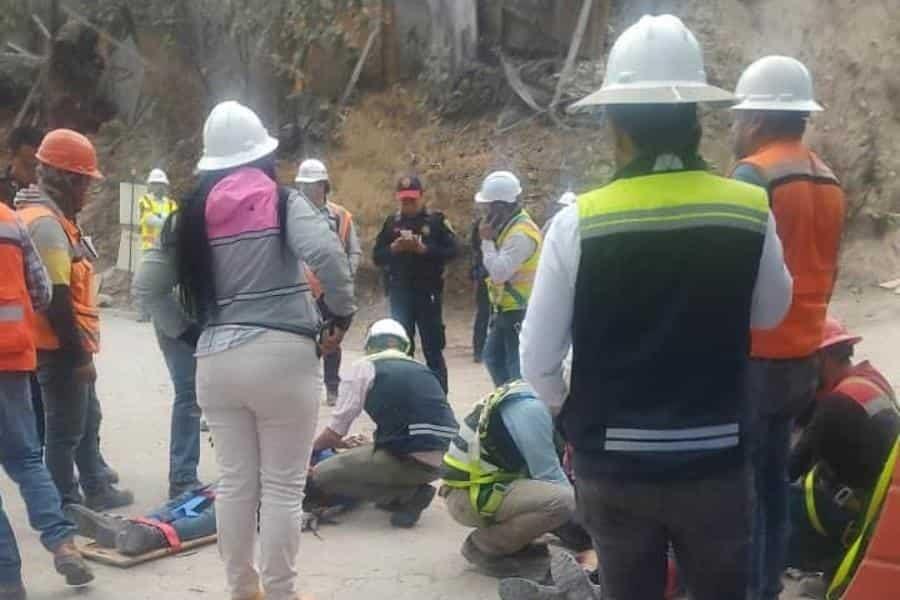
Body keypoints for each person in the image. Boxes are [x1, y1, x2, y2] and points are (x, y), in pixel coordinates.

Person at [520, 15, 793, 600]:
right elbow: (773, 312)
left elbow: (537, 361)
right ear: (696, 122)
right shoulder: (748, 208)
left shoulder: (579, 223)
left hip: (613, 469)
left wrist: (577, 413)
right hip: (718, 463)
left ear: (616, 125)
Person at [144, 100, 354, 600]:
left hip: (216, 363)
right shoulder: (282, 202)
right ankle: (281, 591)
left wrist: (192, 334)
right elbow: (326, 253)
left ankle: (243, 588)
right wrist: (341, 314)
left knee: (236, 484)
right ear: (261, 155)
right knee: (282, 488)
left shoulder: (187, 218)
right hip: (283, 357)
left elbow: (147, 289)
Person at [730, 55, 847, 600]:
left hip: (755, 359)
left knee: (744, 494)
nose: (734, 128)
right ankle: (767, 589)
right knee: (774, 487)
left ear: (756, 118)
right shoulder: (829, 180)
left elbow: (735, 277)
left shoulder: (755, 175)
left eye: (738, 117)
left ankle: (751, 591)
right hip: (802, 359)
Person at [17, 129, 134, 511]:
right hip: (59, 346)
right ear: (66, 180)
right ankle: (66, 502)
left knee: (86, 419)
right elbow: (57, 298)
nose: (88, 190)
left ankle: (95, 487)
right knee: (65, 430)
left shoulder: (54, 218)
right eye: (84, 182)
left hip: (63, 344)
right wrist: (78, 354)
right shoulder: (47, 225)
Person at [0, 200, 94, 600]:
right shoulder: (8, 218)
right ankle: (63, 544)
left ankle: (8, 580)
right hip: (13, 356)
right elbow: (39, 290)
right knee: (25, 459)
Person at [785, 317, 899, 598]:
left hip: (862, 518)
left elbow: (789, 467)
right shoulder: (870, 382)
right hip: (882, 507)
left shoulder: (835, 407)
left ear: (821, 360)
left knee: (781, 496)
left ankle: (823, 566)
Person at [308, 318, 458, 528]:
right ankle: (405, 489)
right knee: (362, 458)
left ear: (369, 344)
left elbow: (334, 432)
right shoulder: (421, 369)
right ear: (404, 345)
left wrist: (309, 451)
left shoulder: (364, 367)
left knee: (323, 475)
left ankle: (405, 495)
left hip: (409, 460)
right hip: (443, 461)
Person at [441, 380, 575, 578]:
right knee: (565, 502)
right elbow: (550, 476)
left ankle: (516, 544)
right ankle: (485, 546)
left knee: (563, 500)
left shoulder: (527, 392)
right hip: (471, 496)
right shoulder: (530, 410)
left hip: (481, 487)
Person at [134, 177, 203, 500]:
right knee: (190, 393)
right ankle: (182, 478)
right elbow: (147, 286)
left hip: (203, 315)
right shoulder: (185, 222)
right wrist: (185, 330)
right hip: (178, 317)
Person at [373, 175, 458, 392]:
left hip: (427, 294)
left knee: (433, 348)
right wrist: (394, 249)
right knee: (401, 347)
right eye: (404, 200)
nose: (408, 205)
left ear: (421, 197)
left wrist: (425, 250)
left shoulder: (436, 222)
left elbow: (454, 252)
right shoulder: (392, 223)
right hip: (400, 293)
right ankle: (405, 395)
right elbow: (376, 256)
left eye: (412, 200)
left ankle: (440, 397)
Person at [294, 158, 361, 406]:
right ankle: (305, 388)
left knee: (332, 337)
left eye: (312, 185)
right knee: (302, 340)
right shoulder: (293, 218)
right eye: (304, 186)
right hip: (303, 289)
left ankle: (332, 388)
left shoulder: (341, 216)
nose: (307, 190)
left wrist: (346, 273)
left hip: (333, 288)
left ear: (324, 186)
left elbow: (354, 250)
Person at [476, 171, 542, 386]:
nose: (485, 212)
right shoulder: (510, 228)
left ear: (500, 207)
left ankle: (518, 409)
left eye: (488, 206)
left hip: (520, 310)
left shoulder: (520, 234)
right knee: (493, 358)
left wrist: (486, 242)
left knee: (516, 369)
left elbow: (498, 272)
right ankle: (506, 404)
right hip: (507, 309)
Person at [1, 127, 45, 446]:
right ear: (12, 156)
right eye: (29, 164)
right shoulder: (4, 195)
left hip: (36, 313)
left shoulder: (49, 195)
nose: (34, 173)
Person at [137, 169, 177, 322]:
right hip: (149, 246)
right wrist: (166, 220)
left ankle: (161, 313)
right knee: (145, 280)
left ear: (165, 186)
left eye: (161, 184)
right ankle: (143, 313)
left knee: (165, 281)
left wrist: (162, 219)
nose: (158, 188)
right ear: (150, 186)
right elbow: (148, 219)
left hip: (167, 248)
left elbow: (175, 221)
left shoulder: (171, 204)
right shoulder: (145, 201)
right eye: (155, 184)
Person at [0, 126, 44, 208]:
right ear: (11, 156)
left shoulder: (49, 192)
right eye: (27, 166)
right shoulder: (2, 189)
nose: (34, 172)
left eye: (39, 166)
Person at [469, 215, 490, 363]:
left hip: (485, 272)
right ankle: (479, 350)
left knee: (484, 314)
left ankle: (480, 350)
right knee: (484, 313)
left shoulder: (481, 221)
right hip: (486, 273)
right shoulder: (484, 222)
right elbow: (477, 249)